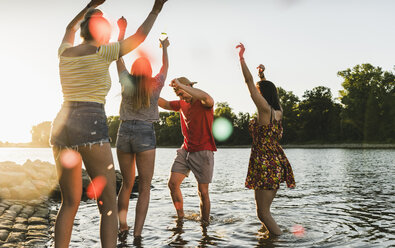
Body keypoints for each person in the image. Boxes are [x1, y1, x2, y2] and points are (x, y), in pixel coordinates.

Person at [50, 0, 167, 247]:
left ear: (82, 30)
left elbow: (70, 27)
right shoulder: (104, 52)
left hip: (61, 126)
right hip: (90, 122)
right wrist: (156, 8)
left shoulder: (64, 53)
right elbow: (140, 36)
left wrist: (91, 4)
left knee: (69, 203)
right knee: (108, 205)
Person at [115, 16, 169, 238]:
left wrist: (121, 31)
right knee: (145, 186)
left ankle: (122, 227)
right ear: (148, 72)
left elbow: (118, 56)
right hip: (145, 134)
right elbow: (166, 66)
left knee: (126, 184)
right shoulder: (155, 85)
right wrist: (164, 48)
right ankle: (137, 234)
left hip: (124, 132)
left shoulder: (126, 81)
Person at [236, 42, 296, 236]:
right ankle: (267, 240)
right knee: (263, 213)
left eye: (259, 91)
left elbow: (248, 83)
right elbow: (266, 90)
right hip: (273, 162)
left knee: (263, 214)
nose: (256, 93)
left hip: (265, 164)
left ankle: (280, 240)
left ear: (262, 95)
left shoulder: (264, 110)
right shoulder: (278, 112)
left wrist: (241, 59)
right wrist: (262, 76)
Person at [158, 77, 217, 225]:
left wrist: (181, 85)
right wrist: (146, 90)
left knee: (202, 192)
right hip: (185, 150)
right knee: (172, 184)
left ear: (190, 87)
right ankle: (181, 218)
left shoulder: (204, 103)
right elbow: (164, 103)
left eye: (183, 93)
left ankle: (205, 224)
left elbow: (206, 97)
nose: (182, 97)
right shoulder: (181, 104)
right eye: (179, 95)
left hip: (203, 151)